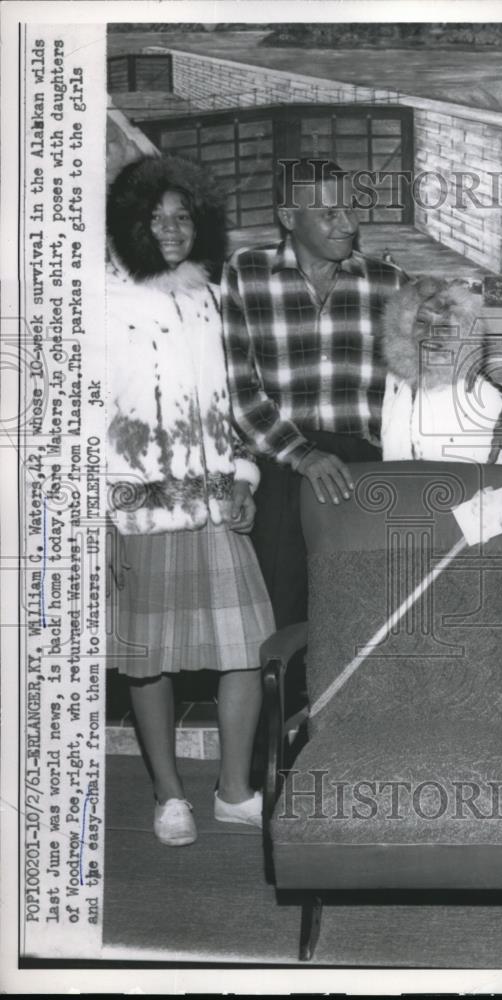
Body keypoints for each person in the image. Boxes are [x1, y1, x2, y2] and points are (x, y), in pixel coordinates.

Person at [106, 156, 275, 847]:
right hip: (140, 510)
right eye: (155, 217)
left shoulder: (208, 295)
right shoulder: (99, 298)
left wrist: (244, 475)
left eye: (182, 216)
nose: (170, 229)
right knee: (148, 658)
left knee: (249, 648)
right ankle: (169, 795)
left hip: (217, 505)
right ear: (130, 224)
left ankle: (234, 791)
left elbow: (233, 401)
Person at [221, 158, 405, 630]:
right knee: (282, 619)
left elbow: (431, 374)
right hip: (283, 465)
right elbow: (239, 387)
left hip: (363, 469)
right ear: (288, 217)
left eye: (350, 208)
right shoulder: (245, 274)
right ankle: (284, 707)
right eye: (329, 213)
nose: (347, 223)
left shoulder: (388, 282)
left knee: (363, 619)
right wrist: (302, 455)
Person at [380, 275, 502, 463]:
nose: (430, 334)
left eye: (443, 326)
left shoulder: (481, 399)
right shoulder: (396, 381)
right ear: (404, 326)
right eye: (422, 322)